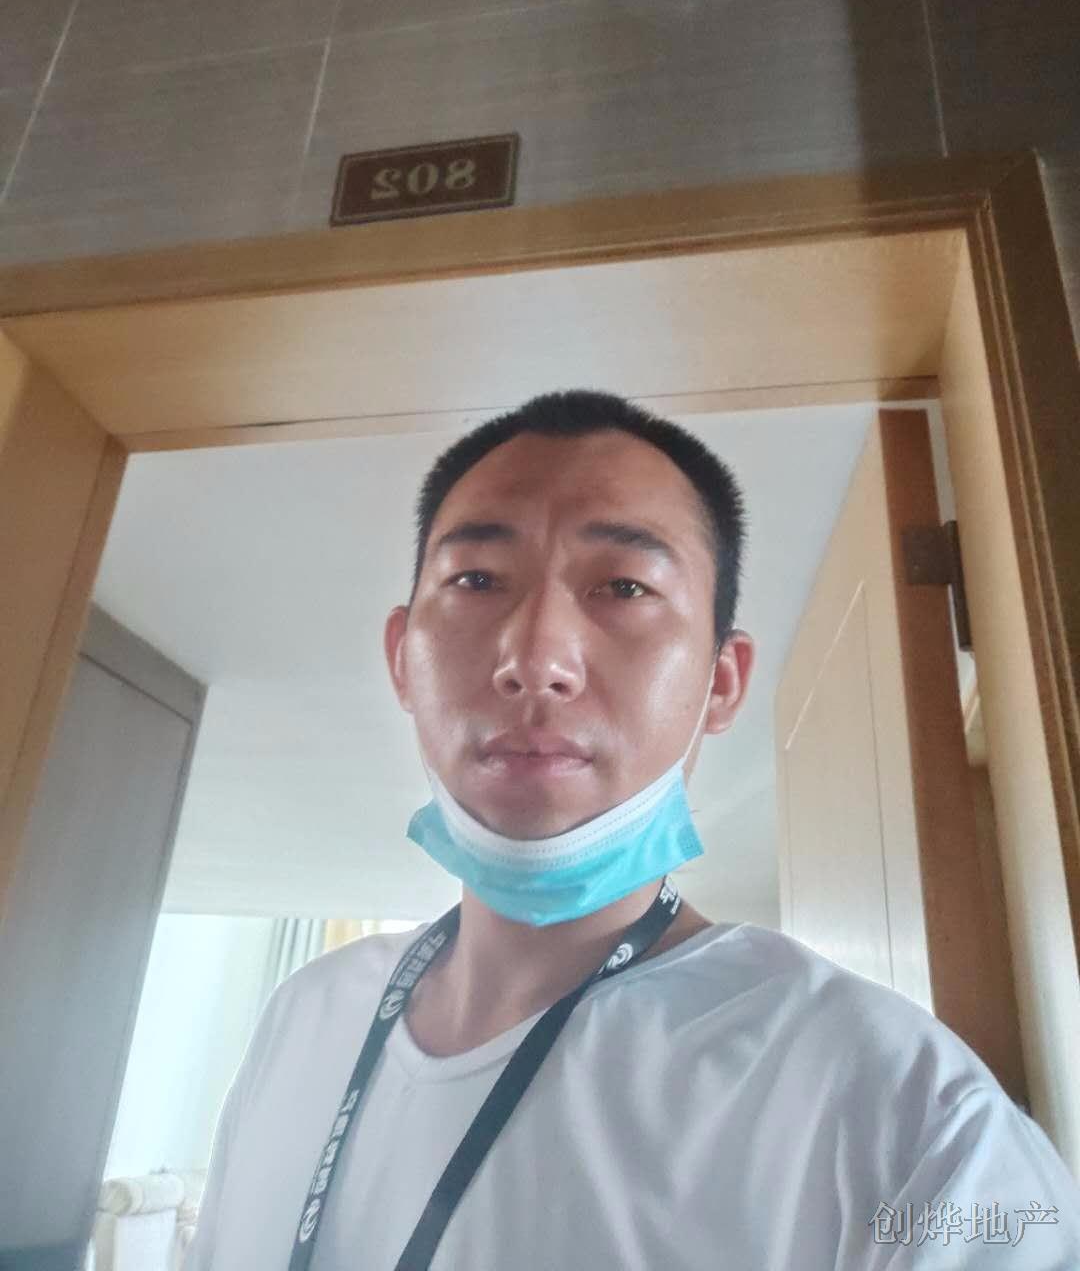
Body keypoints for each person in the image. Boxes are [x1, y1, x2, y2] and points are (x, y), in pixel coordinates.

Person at [185, 387, 1080, 1270]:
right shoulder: (303, 1020)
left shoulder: (909, 1119)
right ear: (400, 659)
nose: (535, 658)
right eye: (476, 580)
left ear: (721, 683)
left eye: (623, 586)